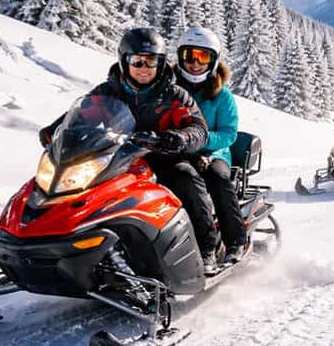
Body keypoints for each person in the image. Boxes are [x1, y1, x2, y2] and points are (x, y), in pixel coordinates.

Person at [38, 28, 220, 274]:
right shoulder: (108, 91)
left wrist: (178, 138)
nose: (144, 68)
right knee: (77, 190)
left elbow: (198, 128)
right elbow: (84, 113)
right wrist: (56, 130)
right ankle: (65, 245)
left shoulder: (174, 94)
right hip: (117, 158)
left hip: (162, 158)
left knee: (187, 179)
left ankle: (206, 248)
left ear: (161, 63)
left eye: (151, 61)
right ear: (124, 61)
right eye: (137, 61)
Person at [174, 26, 247, 265]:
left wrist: (204, 142)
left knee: (217, 177)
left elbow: (228, 133)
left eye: (203, 57)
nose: (195, 63)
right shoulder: (170, 88)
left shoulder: (221, 95)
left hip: (212, 153)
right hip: (177, 151)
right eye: (189, 56)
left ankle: (235, 240)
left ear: (213, 60)